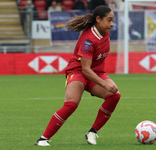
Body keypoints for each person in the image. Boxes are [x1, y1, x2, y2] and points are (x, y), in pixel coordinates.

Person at [34, 5, 121, 146]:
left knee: (114, 96)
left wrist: (104, 82)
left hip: (96, 72)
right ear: (98, 19)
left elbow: (93, 69)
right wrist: (105, 84)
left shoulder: (105, 31)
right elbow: (85, 69)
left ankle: (92, 132)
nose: (112, 24)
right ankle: (43, 139)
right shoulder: (88, 39)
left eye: (113, 20)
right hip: (78, 71)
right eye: (109, 20)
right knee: (71, 104)